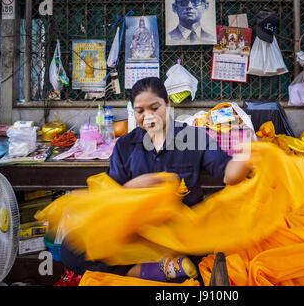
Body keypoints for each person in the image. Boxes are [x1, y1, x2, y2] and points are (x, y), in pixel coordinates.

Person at [60, 77, 252, 283]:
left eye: (155, 107)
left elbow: (228, 174)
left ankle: (167, 267)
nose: (148, 116)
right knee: (71, 248)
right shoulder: (125, 145)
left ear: (168, 103)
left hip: (181, 234)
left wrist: (247, 155)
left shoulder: (195, 138)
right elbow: (110, 199)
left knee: (218, 247)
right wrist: (132, 187)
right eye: (140, 111)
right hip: (139, 233)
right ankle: (151, 271)